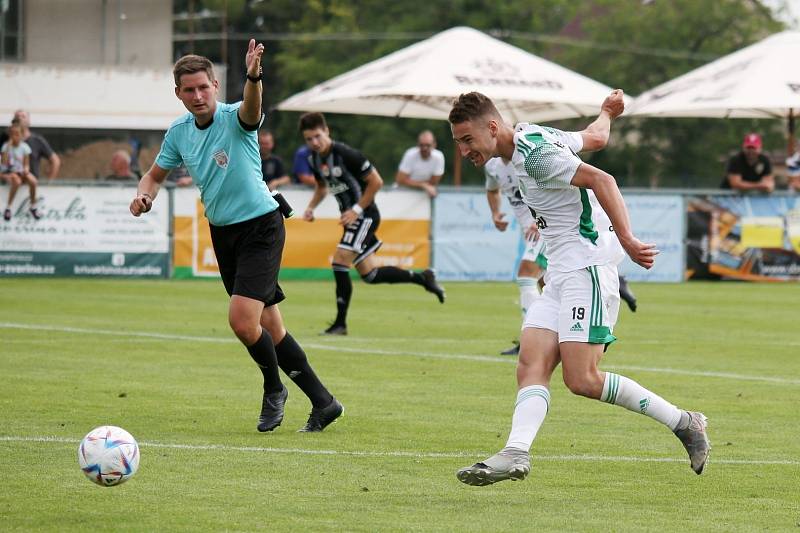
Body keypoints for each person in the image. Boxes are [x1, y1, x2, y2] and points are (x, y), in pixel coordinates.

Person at [448, 90, 709, 486]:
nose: (464, 150)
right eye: (458, 143)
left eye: (467, 140)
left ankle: (685, 422)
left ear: (492, 127)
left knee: (582, 379)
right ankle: (515, 452)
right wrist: (607, 112)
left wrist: (627, 239)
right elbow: (595, 138)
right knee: (530, 364)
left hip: (586, 270)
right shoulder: (534, 136)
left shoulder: (534, 156)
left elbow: (602, 178)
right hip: (560, 273)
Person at [129, 40, 343, 433]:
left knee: (243, 323)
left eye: (203, 87)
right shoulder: (178, 132)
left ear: (215, 84)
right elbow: (154, 176)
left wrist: (253, 75)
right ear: (178, 93)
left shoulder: (236, 116)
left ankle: (274, 389)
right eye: (188, 90)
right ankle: (324, 402)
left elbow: (253, 107)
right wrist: (144, 195)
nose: (197, 95)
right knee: (270, 328)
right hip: (223, 232)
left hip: (261, 225)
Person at [299, 112, 446, 335]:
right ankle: (423, 278)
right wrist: (311, 207)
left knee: (339, 262)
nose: (315, 143)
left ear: (326, 130)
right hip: (352, 219)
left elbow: (376, 181)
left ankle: (340, 324)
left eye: (318, 136)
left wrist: (356, 210)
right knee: (370, 274)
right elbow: (322, 187)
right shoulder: (314, 159)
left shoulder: (346, 154)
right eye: (309, 139)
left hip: (365, 215)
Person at [486, 157, 639, 356]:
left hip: (546, 229)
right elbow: (492, 189)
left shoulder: (528, 157)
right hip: (534, 229)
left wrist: (540, 217)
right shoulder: (491, 164)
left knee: (525, 275)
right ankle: (612, 287)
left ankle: (528, 342)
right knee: (549, 283)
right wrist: (495, 212)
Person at [1, 121, 41, 220]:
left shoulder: (25, 147)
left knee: (33, 181)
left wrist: (26, 170)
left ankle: (33, 206)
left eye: (17, 134)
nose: (15, 137)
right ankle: (8, 207)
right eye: (13, 134)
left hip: (20, 171)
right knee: (17, 182)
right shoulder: (6, 147)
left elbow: (26, 164)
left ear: (22, 135)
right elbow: (4, 163)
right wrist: (8, 147)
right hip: (9, 171)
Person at [10, 110, 60, 182]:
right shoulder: (6, 140)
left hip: (30, 184)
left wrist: (50, 183)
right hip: (8, 185)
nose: (20, 118)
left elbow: (55, 161)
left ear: (29, 121)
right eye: (17, 116)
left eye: (23, 116)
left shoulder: (36, 140)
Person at [395, 130, 445, 197]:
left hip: (424, 195)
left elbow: (434, 182)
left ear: (434, 144)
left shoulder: (439, 157)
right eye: (421, 145)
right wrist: (423, 185)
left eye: (428, 145)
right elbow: (400, 180)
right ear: (417, 144)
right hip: (401, 193)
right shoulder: (410, 154)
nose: (424, 148)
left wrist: (411, 182)